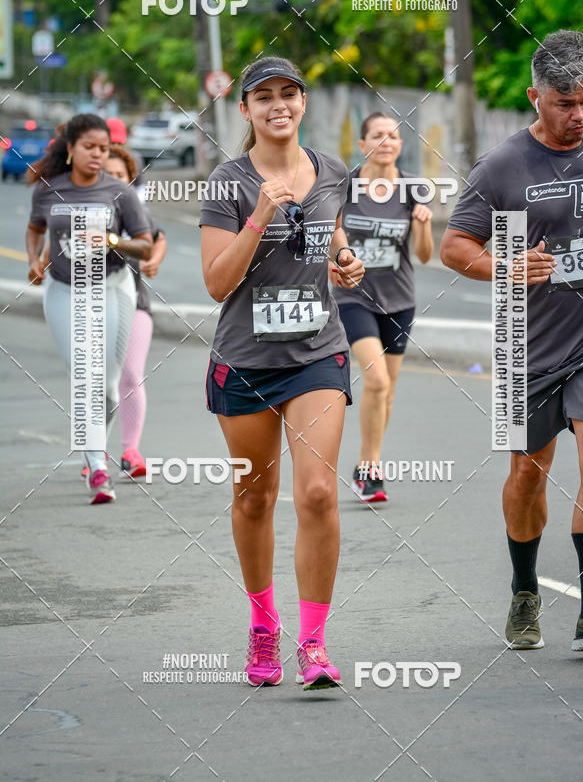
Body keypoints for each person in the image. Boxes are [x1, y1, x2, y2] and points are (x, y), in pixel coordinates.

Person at [200, 56, 364, 690]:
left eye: (288, 94)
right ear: (245, 110)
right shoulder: (227, 181)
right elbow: (216, 283)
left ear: (303, 102)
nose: (278, 105)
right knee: (254, 499)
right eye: (262, 96)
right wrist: (260, 216)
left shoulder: (331, 171)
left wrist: (344, 259)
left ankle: (314, 644)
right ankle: (263, 626)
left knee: (318, 493)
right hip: (244, 361)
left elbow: (331, 232)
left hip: (317, 354)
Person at [440, 30, 583, 651]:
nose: (579, 115)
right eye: (564, 103)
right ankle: (525, 589)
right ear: (535, 97)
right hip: (525, 344)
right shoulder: (503, 167)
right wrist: (505, 267)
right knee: (528, 474)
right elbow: (455, 247)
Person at [25, 114, 152, 504]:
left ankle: (95, 447)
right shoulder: (48, 189)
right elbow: (35, 229)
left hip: (114, 289)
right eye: (90, 147)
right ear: (71, 148)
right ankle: (98, 467)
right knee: (84, 375)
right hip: (64, 290)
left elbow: (145, 244)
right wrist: (34, 259)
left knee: (109, 386)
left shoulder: (120, 192)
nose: (98, 155)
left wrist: (111, 239)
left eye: (104, 148)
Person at [333, 113, 433, 502]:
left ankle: (364, 464)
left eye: (393, 136)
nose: (386, 142)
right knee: (376, 382)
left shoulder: (412, 189)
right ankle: (371, 469)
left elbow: (424, 256)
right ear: (362, 146)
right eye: (378, 136)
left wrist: (422, 224)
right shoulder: (346, 187)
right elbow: (328, 232)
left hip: (399, 301)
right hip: (353, 297)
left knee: (387, 392)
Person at [105, 143, 167, 481]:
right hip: (92, 305)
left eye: (120, 176)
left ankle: (131, 450)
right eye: (107, 175)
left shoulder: (134, 211)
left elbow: (158, 238)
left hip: (136, 303)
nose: (114, 182)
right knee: (98, 382)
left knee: (130, 375)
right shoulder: (83, 209)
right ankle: (95, 454)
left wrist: (154, 259)